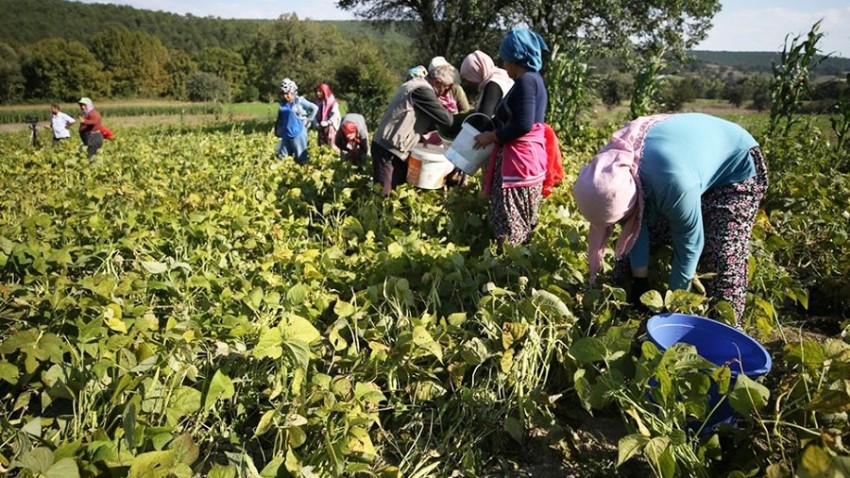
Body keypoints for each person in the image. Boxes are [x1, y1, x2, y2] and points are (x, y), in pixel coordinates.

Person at [572, 113, 769, 324]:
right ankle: (628, 300)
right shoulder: (609, 173)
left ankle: (726, 333)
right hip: (685, 157)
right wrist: (640, 282)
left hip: (736, 163)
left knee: (722, 255)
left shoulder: (674, 185)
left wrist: (673, 307)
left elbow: (689, 247)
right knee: (629, 256)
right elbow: (635, 227)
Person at [473, 28, 549, 247]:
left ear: (515, 59)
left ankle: (509, 274)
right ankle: (521, 270)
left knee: (510, 228)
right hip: (529, 163)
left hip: (518, 165)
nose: (504, 65)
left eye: (505, 59)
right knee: (523, 225)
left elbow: (523, 124)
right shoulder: (534, 80)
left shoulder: (526, 82)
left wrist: (493, 136)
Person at [372, 64, 455, 197]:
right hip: (388, 149)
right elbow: (446, 120)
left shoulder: (416, 86)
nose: (445, 94)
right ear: (437, 82)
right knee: (384, 195)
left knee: (396, 194)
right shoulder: (421, 90)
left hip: (394, 148)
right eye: (446, 89)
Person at [460, 50, 515, 117]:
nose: (471, 82)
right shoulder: (502, 77)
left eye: (471, 77)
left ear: (478, 71)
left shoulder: (494, 84)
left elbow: (484, 117)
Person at [275, 78, 317, 165]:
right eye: (283, 94)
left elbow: (314, 108)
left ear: (293, 92)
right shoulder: (282, 103)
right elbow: (280, 119)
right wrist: (278, 130)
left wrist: (309, 120)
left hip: (298, 133)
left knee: (301, 158)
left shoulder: (299, 101)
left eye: (287, 93)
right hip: (286, 134)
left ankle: (303, 175)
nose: (285, 96)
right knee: (282, 158)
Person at [314, 83, 341, 151]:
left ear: (324, 91)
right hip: (321, 126)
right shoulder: (317, 102)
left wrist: (328, 122)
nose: (318, 93)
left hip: (331, 127)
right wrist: (316, 122)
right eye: (317, 91)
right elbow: (314, 113)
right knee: (321, 145)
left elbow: (335, 115)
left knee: (332, 145)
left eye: (320, 91)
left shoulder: (332, 102)